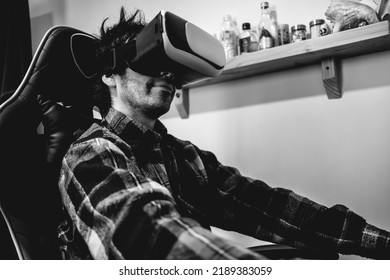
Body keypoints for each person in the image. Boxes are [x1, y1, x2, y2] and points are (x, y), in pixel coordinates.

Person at [57, 7, 390, 260]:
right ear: (109, 74)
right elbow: (144, 234)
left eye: (169, 61)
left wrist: (378, 243)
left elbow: (269, 207)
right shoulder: (89, 154)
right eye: (147, 56)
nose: (165, 71)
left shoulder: (183, 158)